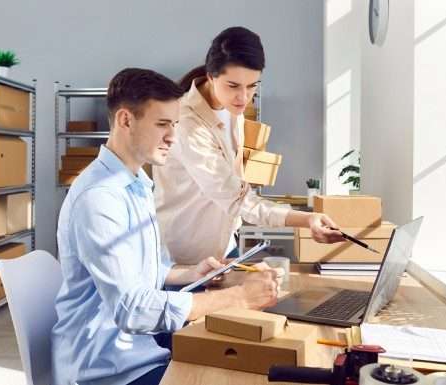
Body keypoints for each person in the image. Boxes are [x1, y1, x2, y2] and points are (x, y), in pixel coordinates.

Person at [51, 68, 281, 385]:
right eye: (162, 124)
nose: (173, 136)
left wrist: (193, 272)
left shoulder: (137, 184)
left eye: (174, 124)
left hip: (140, 349)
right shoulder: (100, 199)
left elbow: (147, 270)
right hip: (108, 370)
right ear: (125, 120)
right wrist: (238, 297)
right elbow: (132, 308)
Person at [153, 26, 345, 264]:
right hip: (185, 258)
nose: (244, 97)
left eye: (252, 85)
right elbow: (237, 199)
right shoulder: (187, 124)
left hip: (223, 247)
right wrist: (306, 220)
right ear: (211, 76)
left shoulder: (232, 108)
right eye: (233, 86)